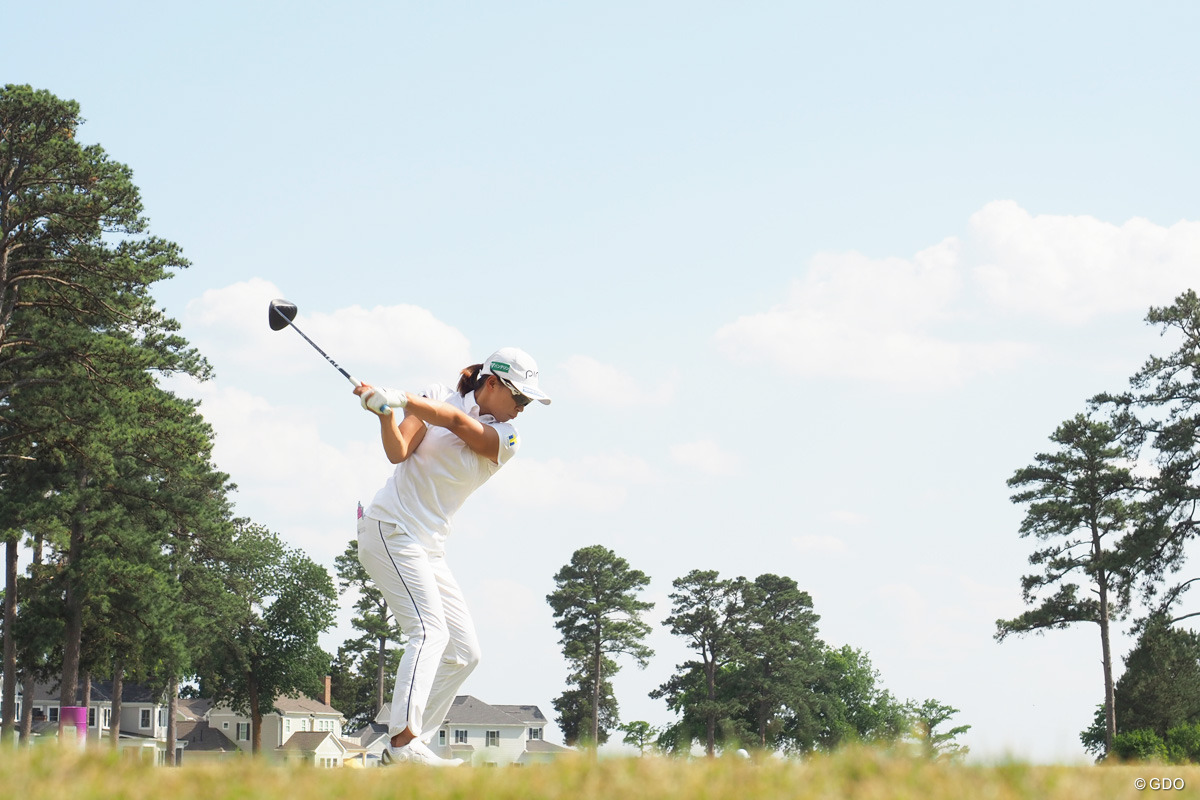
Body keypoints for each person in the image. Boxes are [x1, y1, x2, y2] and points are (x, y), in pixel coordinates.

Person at [352, 347, 550, 767]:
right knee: (428, 633)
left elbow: (457, 422)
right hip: (390, 527)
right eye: (520, 396)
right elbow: (398, 450)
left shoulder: (508, 437)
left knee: (464, 653)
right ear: (491, 383)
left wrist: (400, 397)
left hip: (427, 546)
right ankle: (404, 742)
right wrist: (386, 413)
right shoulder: (438, 393)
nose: (523, 407)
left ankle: (402, 751)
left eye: (529, 400)